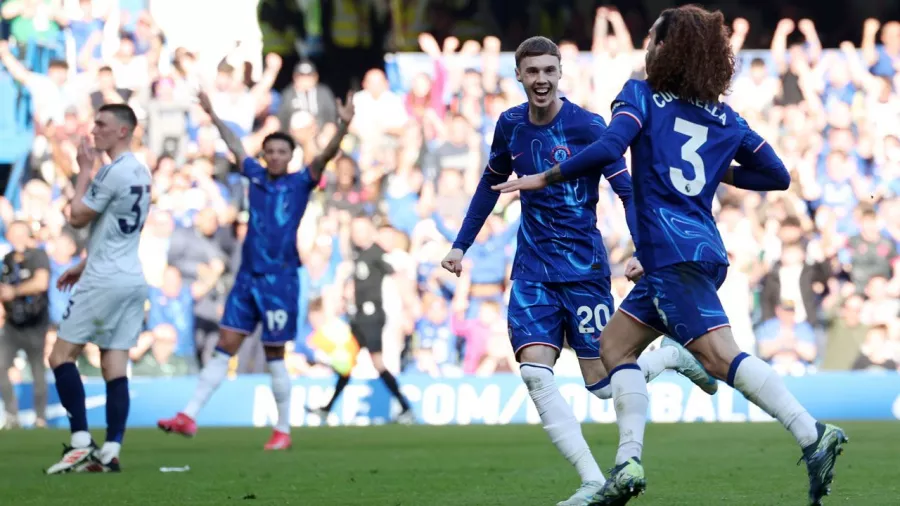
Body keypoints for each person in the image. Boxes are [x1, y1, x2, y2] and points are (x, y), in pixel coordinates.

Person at [493, 7, 847, 505]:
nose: (646, 47)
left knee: (720, 356)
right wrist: (719, 170)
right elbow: (777, 175)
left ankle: (812, 432)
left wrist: (543, 176)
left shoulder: (640, 94)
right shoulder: (725, 117)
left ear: (666, 49)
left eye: (652, 40)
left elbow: (609, 147)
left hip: (670, 252)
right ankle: (627, 463)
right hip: (696, 248)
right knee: (614, 350)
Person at [440, 36, 718, 506]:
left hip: (585, 269)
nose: (542, 80)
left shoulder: (590, 126)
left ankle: (669, 357)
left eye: (549, 70)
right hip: (532, 270)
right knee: (533, 373)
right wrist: (460, 244)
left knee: (604, 387)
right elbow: (491, 186)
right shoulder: (510, 126)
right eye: (533, 72)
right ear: (519, 76)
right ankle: (592, 480)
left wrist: (643, 248)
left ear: (561, 72)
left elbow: (628, 192)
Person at [157, 89, 355, 450]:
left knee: (275, 354)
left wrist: (343, 126)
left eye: (283, 151)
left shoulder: (301, 182)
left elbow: (325, 156)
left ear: (291, 157)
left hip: (280, 279)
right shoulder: (254, 175)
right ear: (264, 155)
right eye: (271, 151)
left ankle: (283, 430)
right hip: (247, 277)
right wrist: (213, 115)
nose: (276, 156)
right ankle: (189, 416)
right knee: (225, 344)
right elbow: (234, 145)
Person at [45, 103, 152, 474]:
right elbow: (119, 231)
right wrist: (83, 262)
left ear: (123, 131)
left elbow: (76, 216)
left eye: (103, 124)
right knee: (114, 363)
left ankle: (79, 442)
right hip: (131, 278)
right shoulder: (142, 172)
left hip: (104, 280)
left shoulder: (110, 172)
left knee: (60, 356)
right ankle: (111, 450)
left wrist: (84, 171)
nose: (95, 130)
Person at [308, 215, 418, 424]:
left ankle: (405, 408)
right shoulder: (361, 255)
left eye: (361, 230)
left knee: (376, 363)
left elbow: (398, 277)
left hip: (372, 317)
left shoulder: (377, 254)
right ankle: (327, 408)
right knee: (348, 363)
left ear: (370, 231)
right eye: (355, 231)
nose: (357, 235)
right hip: (359, 318)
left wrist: (408, 307)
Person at [0, 220, 51, 429]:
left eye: (22, 233)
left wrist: (15, 291)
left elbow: (41, 283)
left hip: (35, 324)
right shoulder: (7, 260)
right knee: (1, 366)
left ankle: (40, 418)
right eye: (14, 233)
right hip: (13, 324)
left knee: (38, 370)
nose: (18, 238)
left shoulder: (38, 256)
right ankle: (12, 415)